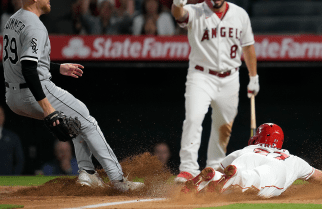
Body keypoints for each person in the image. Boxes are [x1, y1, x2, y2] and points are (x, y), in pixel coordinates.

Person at [2, 0, 143, 192]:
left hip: (12, 96)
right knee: (87, 120)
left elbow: (22, 61)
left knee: (76, 122)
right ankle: (118, 181)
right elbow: (28, 68)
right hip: (33, 90)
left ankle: (88, 173)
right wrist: (48, 109)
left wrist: (59, 67)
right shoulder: (35, 25)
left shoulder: (12, 20)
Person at [171, 0, 259, 183]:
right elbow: (179, 14)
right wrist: (176, 3)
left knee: (223, 126)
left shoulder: (239, 14)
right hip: (201, 75)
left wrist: (253, 77)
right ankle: (188, 168)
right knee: (194, 118)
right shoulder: (195, 11)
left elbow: (248, 46)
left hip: (231, 77)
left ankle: (214, 167)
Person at [182, 123, 322, 198]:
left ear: (257, 137)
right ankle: (234, 177)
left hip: (245, 158)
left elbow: (220, 167)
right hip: (276, 165)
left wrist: (216, 173)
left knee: (227, 176)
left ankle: (212, 180)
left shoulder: (244, 149)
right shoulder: (292, 159)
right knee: (256, 180)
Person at [0, 105, 24, 175]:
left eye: (1, 114)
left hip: (8, 180)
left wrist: (14, 178)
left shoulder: (13, 137)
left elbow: (20, 161)